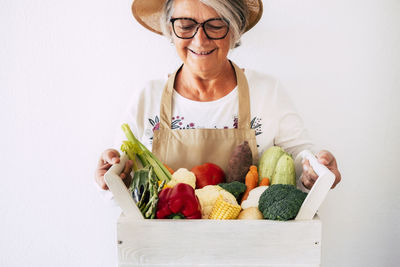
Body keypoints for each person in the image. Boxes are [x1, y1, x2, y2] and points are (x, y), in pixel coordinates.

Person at [95, 0, 341, 194]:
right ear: (171, 29)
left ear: (234, 29)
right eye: (185, 24)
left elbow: (299, 158)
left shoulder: (267, 91)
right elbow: (120, 179)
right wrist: (110, 175)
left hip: (251, 248)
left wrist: (315, 173)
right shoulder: (148, 96)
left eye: (215, 24)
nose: (200, 39)